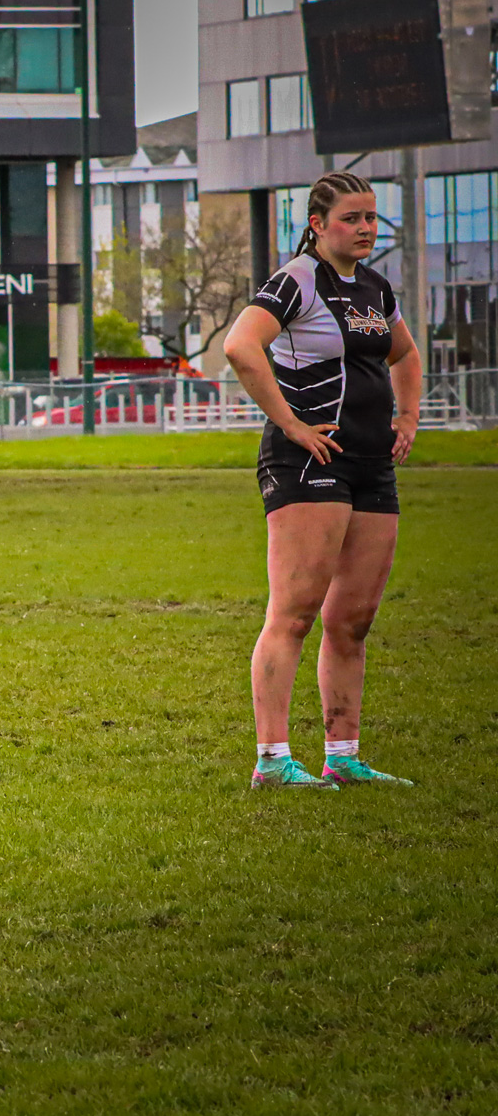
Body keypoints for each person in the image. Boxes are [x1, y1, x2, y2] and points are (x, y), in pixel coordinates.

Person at [223, 172, 420, 790]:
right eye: (352, 219)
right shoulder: (295, 281)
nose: (365, 229)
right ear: (318, 224)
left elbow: (405, 354)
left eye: (371, 219)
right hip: (310, 463)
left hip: (370, 465)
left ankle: (344, 755)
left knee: (353, 619)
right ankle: (273, 760)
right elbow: (240, 347)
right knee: (296, 613)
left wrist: (408, 416)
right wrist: (290, 423)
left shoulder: (374, 287)